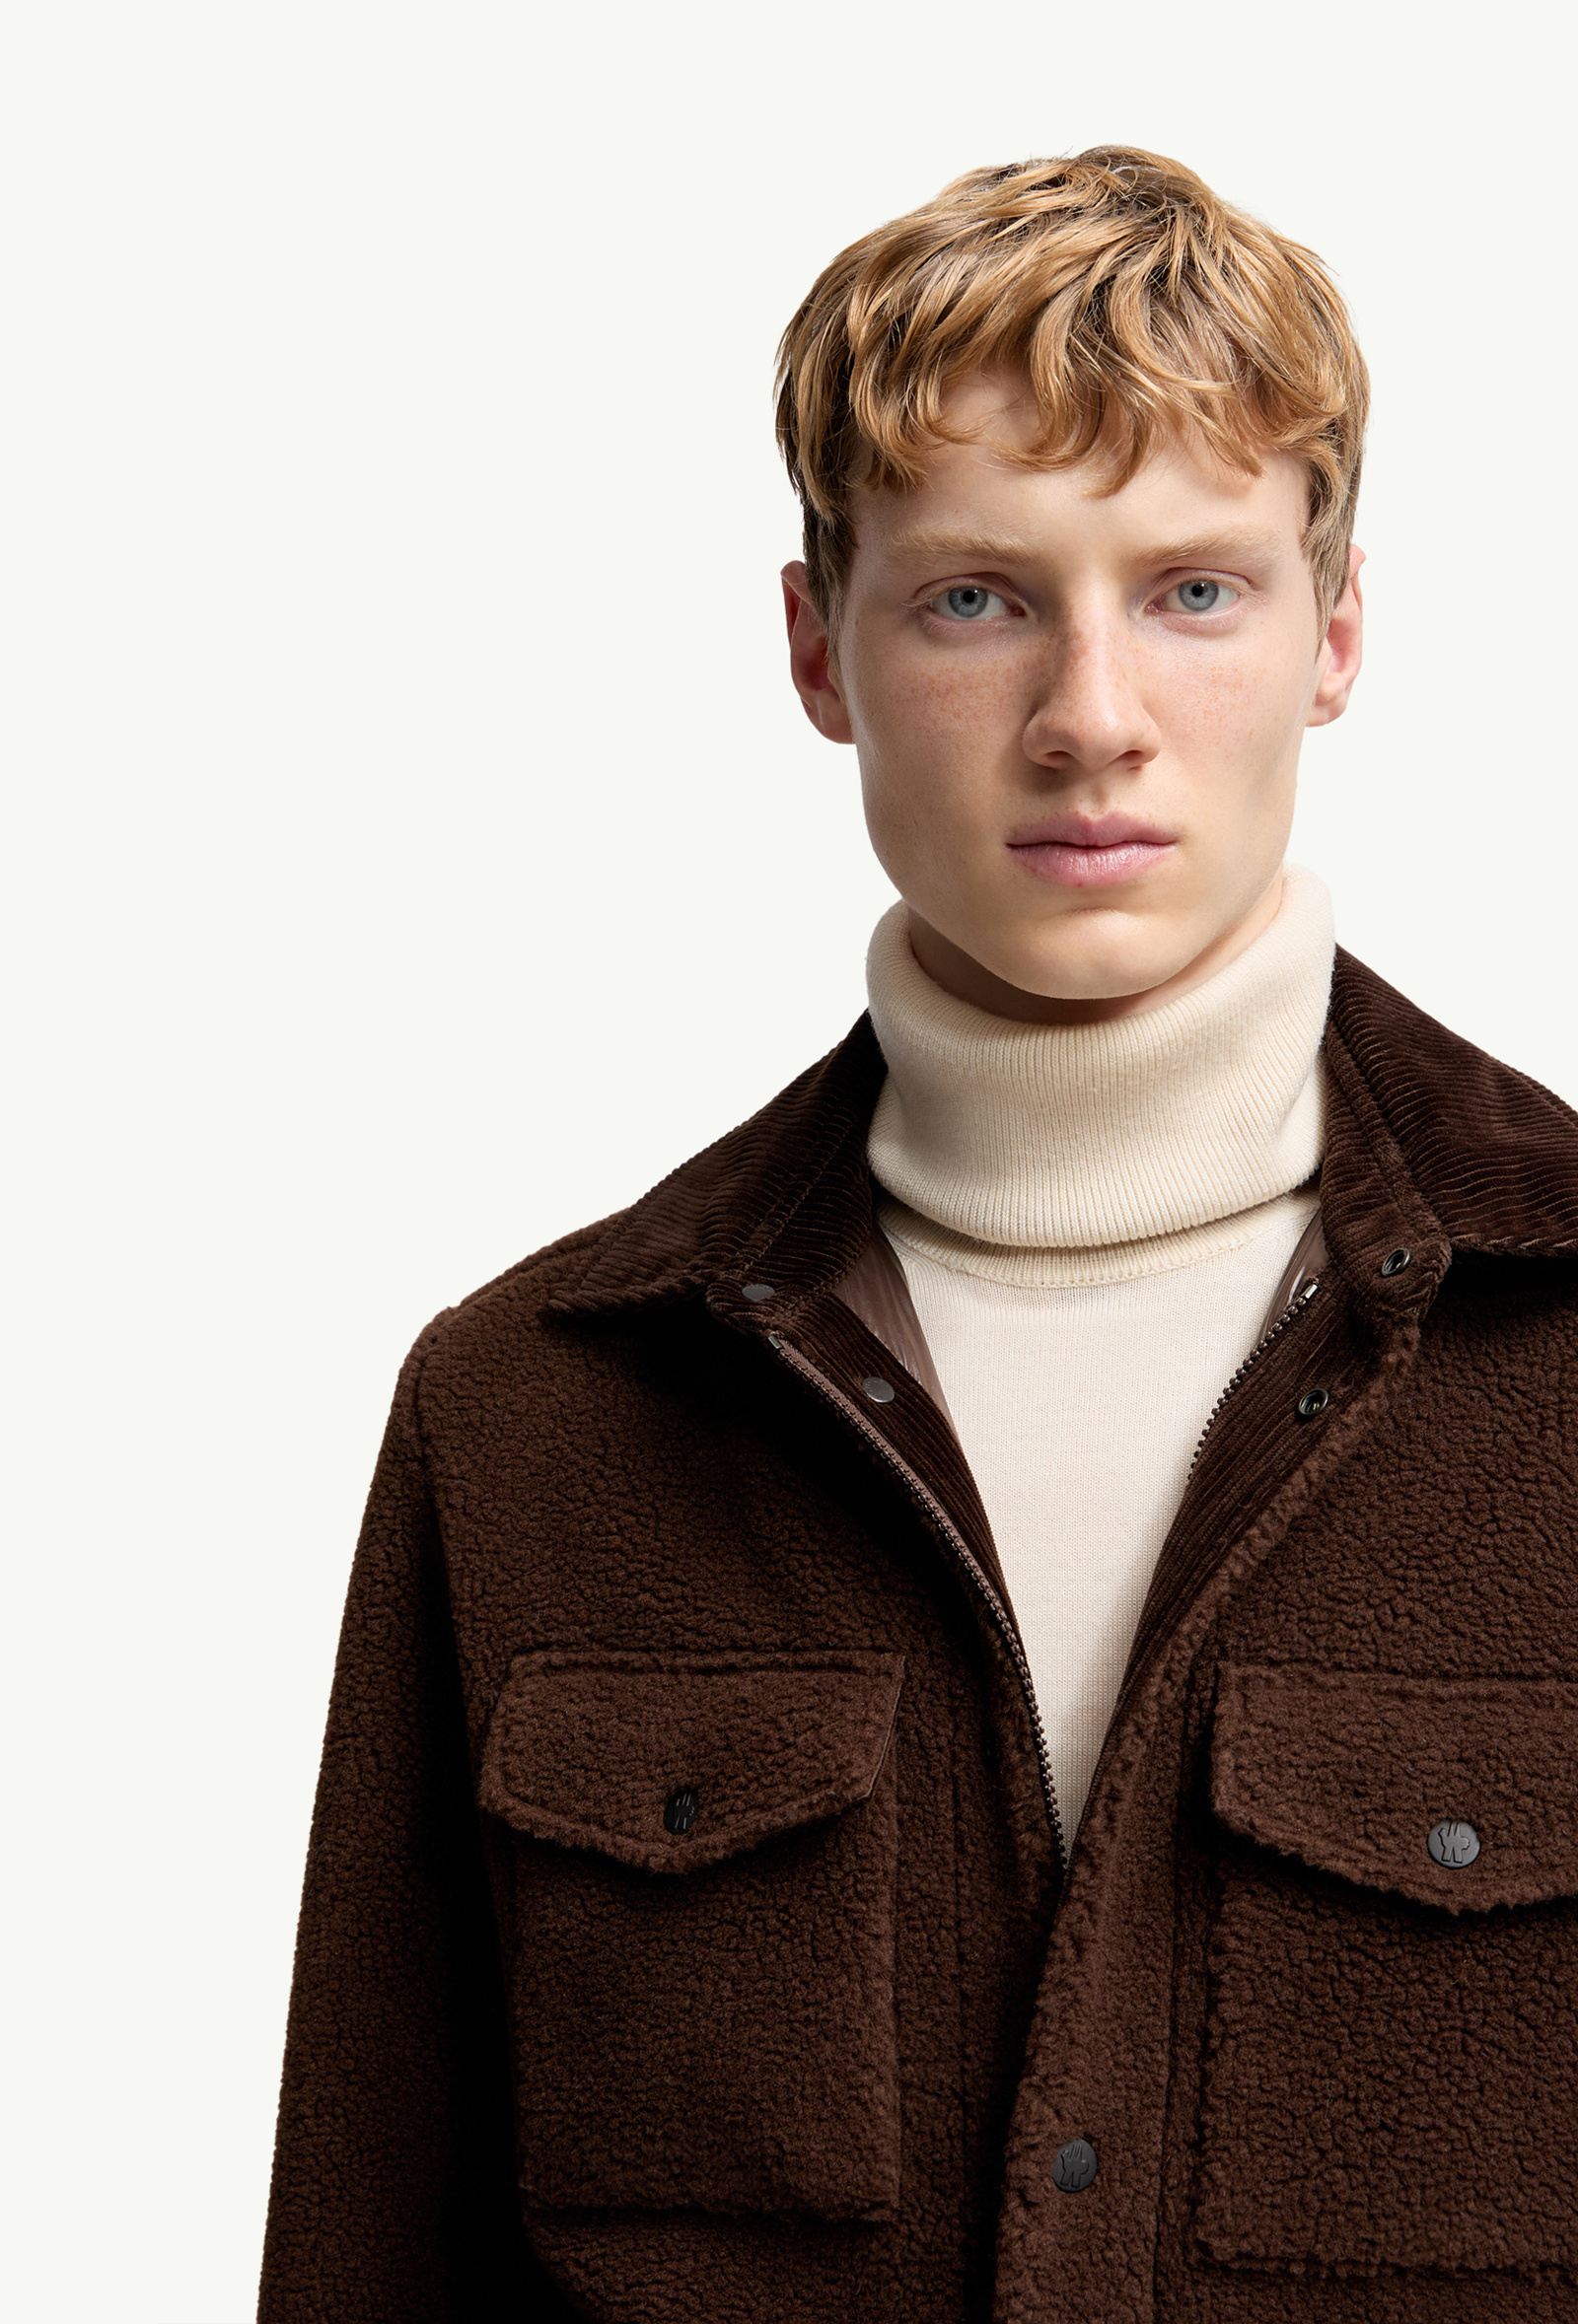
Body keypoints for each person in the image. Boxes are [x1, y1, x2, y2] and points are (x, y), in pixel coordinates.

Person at [256, 146, 1578, 2324]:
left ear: (1335, 633)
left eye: (1193, 591)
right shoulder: (528, 1419)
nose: (1090, 714)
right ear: (818, 646)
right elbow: (375, 2248)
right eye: (975, 599)